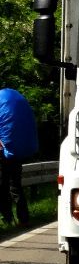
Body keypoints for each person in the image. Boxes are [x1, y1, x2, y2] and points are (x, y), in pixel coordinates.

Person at [0, 88, 38, 227]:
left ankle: (8, 219)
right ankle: (24, 219)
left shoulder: (2, 101)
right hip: (17, 151)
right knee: (16, 186)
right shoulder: (13, 98)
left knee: (2, 187)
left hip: (4, 151)